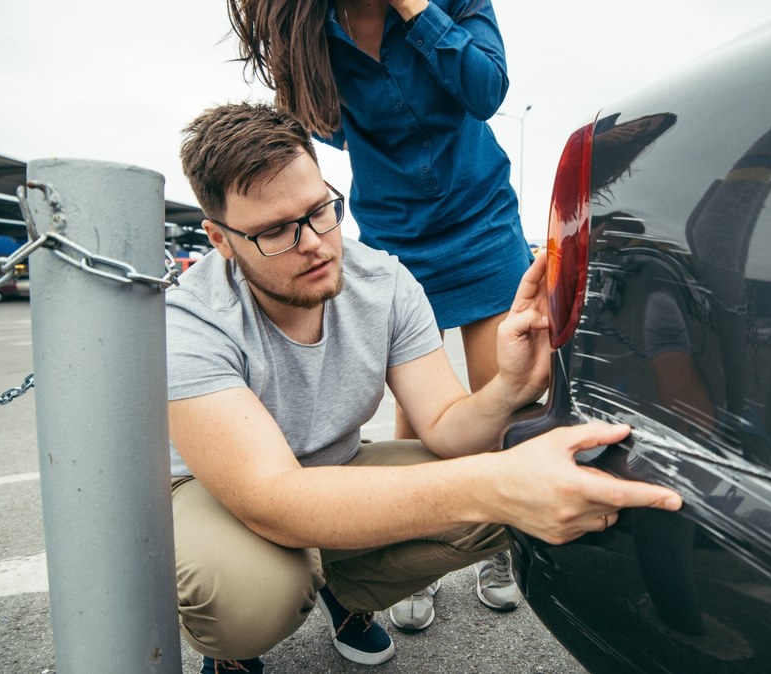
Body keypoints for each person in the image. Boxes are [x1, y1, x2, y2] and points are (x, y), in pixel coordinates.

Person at [169, 101, 682, 673]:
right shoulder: (189, 319)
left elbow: (444, 428)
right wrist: (495, 484)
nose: (313, 242)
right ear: (219, 238)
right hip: (220, 494)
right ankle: (237, 652)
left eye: (319, 211)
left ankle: (349, 595)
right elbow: (271, 499)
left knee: (509, 473)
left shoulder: (382, 280)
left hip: (331, 468)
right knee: (249, 598)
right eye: (274, 233)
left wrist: (509, 387)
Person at [226, 0, 534, 624]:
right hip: (395, 227)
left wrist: (417, 10)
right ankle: (410, 551)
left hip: (481, 217)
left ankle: (507, 539)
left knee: (503, 395)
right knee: (418, 407)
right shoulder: (314, 30)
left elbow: (485, 89)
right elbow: (326, 125)